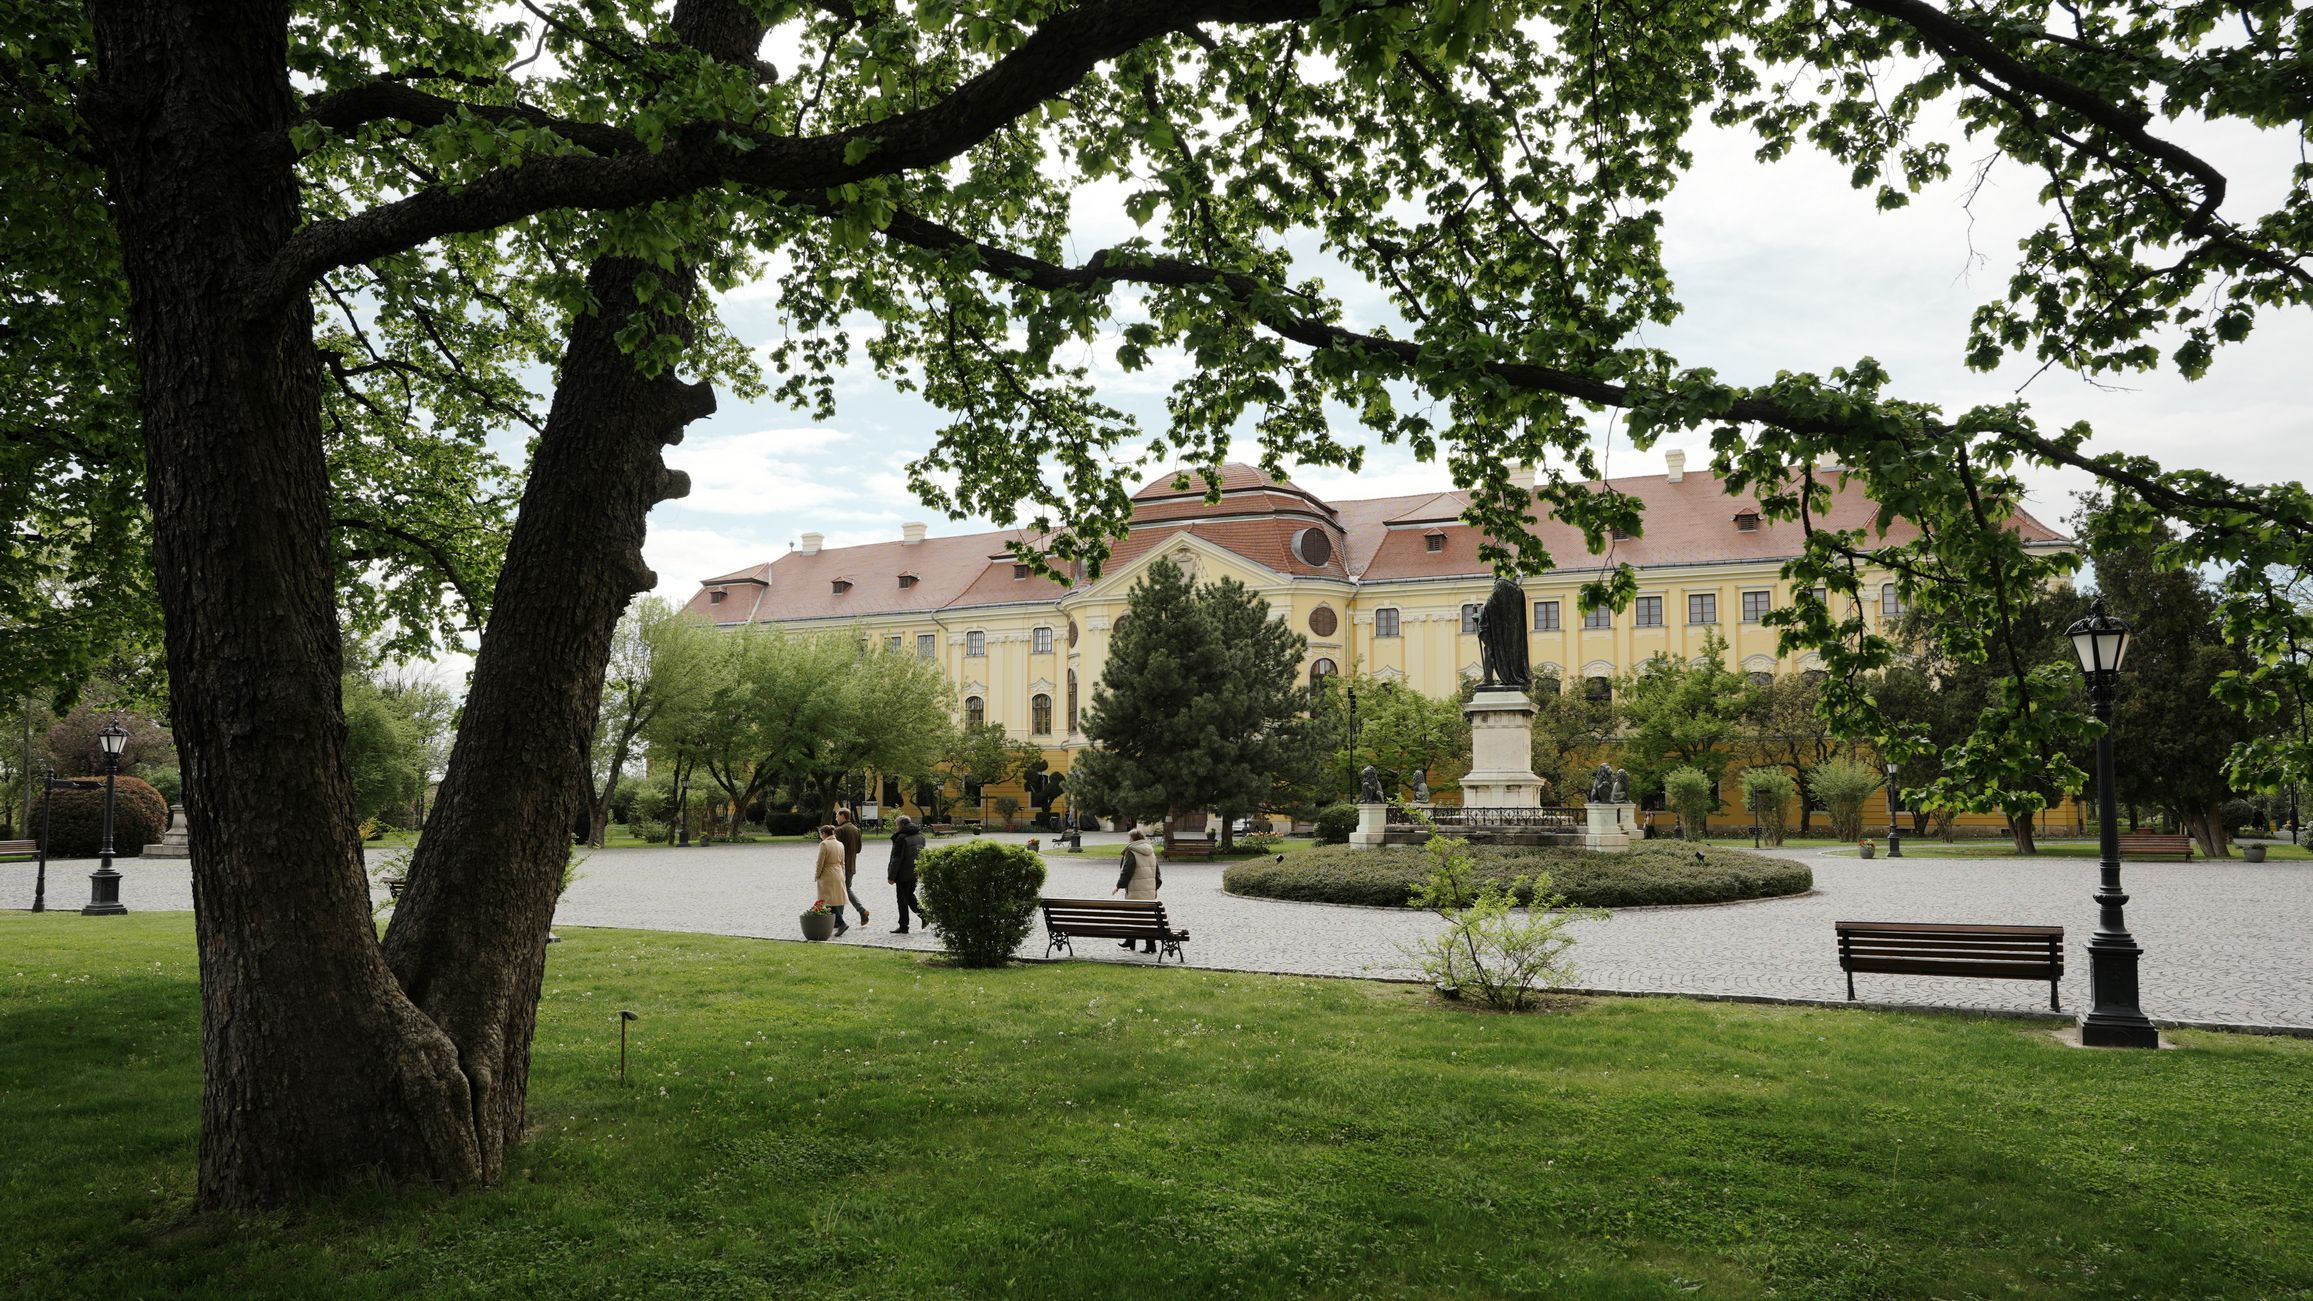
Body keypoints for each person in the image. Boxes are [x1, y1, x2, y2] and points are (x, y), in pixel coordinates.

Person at [1111, 827, 1161, 953]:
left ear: (1133, 839)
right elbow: (1157, 874)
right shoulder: (1151, 852)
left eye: (1129, 838)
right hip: (1149, 891)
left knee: (1133, 916)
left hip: (1135, 891)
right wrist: (1155, 888)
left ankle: (1136, 942)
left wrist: (1118, 886)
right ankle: (1138, 942)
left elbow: (1126, 872)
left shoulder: (1132, 852)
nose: (1128, 840)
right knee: (1146, 919)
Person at [888, 814, 927, 934]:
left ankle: (904, 926)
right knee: (909, 896)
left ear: (901, 825)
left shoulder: (901, 838)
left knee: (902, 900)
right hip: (915, 871)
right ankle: (924, 916)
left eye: (897, 825)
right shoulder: (920, 836)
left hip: (903, 874)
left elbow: (896, 859)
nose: (896, 827)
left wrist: (891, 876)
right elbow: (922, 855)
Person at [833, 808, 868, 927]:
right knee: (845, 890)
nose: (836, 818)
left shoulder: (839, 830)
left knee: (842, 890)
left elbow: (835, 850)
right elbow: (858, 849)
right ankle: (859, 913)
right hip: (851, 865)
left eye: (837, 815)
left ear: (843, 816)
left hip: (840, 866)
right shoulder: (856, 829)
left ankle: (843, 918)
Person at [813, 824, 850, 937]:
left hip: (827, 874)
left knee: (827, 900)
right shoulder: (840, 844)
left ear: (824, 834)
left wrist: (817, 874)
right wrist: (842, 875)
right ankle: (834, 922)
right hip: (838, 872)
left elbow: (820, 862)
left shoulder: (824, 844)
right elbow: (843, 862)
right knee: (834, 899)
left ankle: (841, 923)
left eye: (820, 834)